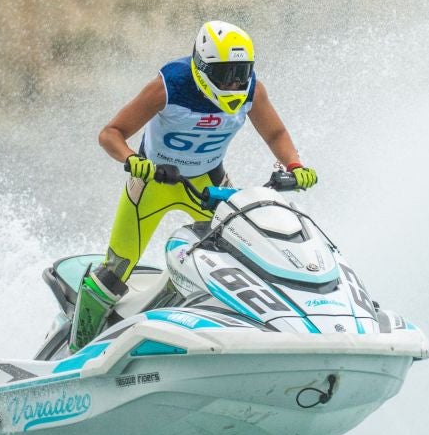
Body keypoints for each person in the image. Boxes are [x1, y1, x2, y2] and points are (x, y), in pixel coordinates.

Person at [70, 20, 318, 351]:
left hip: (209, 186)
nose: (234, 82)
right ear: (200, 66)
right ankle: (77, 349)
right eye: (225, 73)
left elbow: (276, 135)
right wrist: (132, 160)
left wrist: (295, 166)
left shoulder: (252, 90)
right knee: (114, 273)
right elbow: (111, 133)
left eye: (241, 71)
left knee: (245, 254)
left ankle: (259, 330)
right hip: (153, 184)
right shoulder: (169, 85)